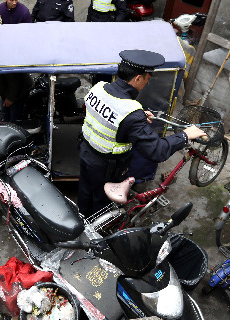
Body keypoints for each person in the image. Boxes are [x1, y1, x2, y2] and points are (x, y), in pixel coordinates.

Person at [77, 50, 206, 217]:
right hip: (106, 167)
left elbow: (105, 115)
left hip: (86, 152)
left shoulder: (99, 87)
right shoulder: (130, 112)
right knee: (101, 206)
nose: (147, 83)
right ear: (138, 78)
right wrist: (185, 135)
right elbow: (157, 150)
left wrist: (135, 119)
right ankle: (95, 237)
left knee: (85, 191)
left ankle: (81, 218)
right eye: (147, 79)